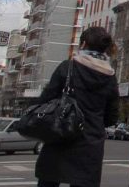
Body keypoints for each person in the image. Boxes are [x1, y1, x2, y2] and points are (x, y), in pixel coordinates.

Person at [35, 26, 119, 187]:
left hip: (60, 136)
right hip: (90, 144)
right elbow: (111, 116)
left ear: (83, 44)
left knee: (49, 180)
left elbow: (45, 100)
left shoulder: (68, 67)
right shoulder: (110, 76)